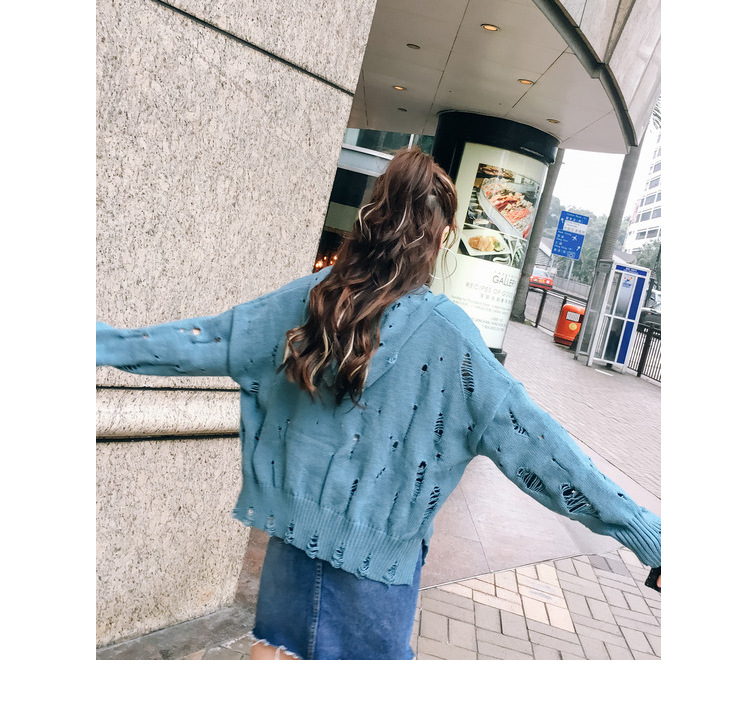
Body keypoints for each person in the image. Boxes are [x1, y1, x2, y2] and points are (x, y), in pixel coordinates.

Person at [96, 148, 661, 660]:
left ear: (375, 217)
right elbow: (536, 444)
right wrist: (644, 532)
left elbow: (206, 340)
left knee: (275, 655)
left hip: (291, 549)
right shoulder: (450, 336)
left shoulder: (315, 297)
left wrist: (104, 343)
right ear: (440, 239)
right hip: (371, 580)